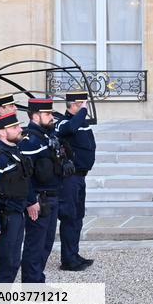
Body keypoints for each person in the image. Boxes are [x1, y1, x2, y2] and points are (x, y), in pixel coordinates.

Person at [0, 110, 32, 304]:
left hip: (16, 214)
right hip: (5, 217)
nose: (20, 129)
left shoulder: (15, 151)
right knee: (4, 263)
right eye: (14, 128)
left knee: (13, 262)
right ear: (3, 132)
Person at [19, 98, 68, 283]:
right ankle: (31, 283)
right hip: (40, 199)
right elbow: (25, 176)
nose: (51, 117)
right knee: (35, 244)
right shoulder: (29, 140)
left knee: (46, 242)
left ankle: (38, 279)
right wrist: (31, 201)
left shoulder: (47, 136)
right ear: (36, 116)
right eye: (47, 114)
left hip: (53, 194)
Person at [55, 90, 95, 271]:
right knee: (69, 217)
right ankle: (68, 259)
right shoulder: (64, 122)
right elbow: (69, 129)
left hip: (80, 176)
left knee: (78, 217)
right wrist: (82, 112)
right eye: (81, 104)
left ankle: (74, 254)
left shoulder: (81, 122)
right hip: (69, 178)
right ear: (73, 105)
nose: (85, 107)